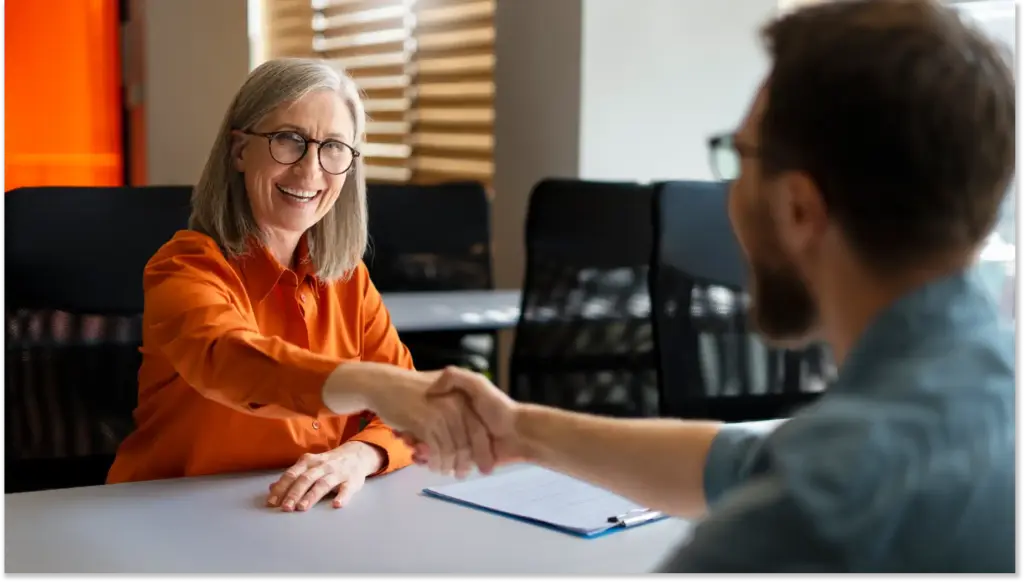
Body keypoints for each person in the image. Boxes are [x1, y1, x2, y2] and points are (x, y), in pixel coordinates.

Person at [407, 0, 1016, 573]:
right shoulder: (970, 388)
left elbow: (797, 484)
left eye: (738, 157)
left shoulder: (810, 519)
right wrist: (523, 430)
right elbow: (741, 464)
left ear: (799, 209)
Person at [108, 58, 486, 511]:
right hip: (172, 518)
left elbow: (409, 418)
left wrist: (359, 455)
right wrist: (372, 384)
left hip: (305, 519)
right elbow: (230, 363)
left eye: (334, 147)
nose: (311, 170)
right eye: (288, 140)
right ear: (240, 151)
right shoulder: (184, 268)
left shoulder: (350, 281)